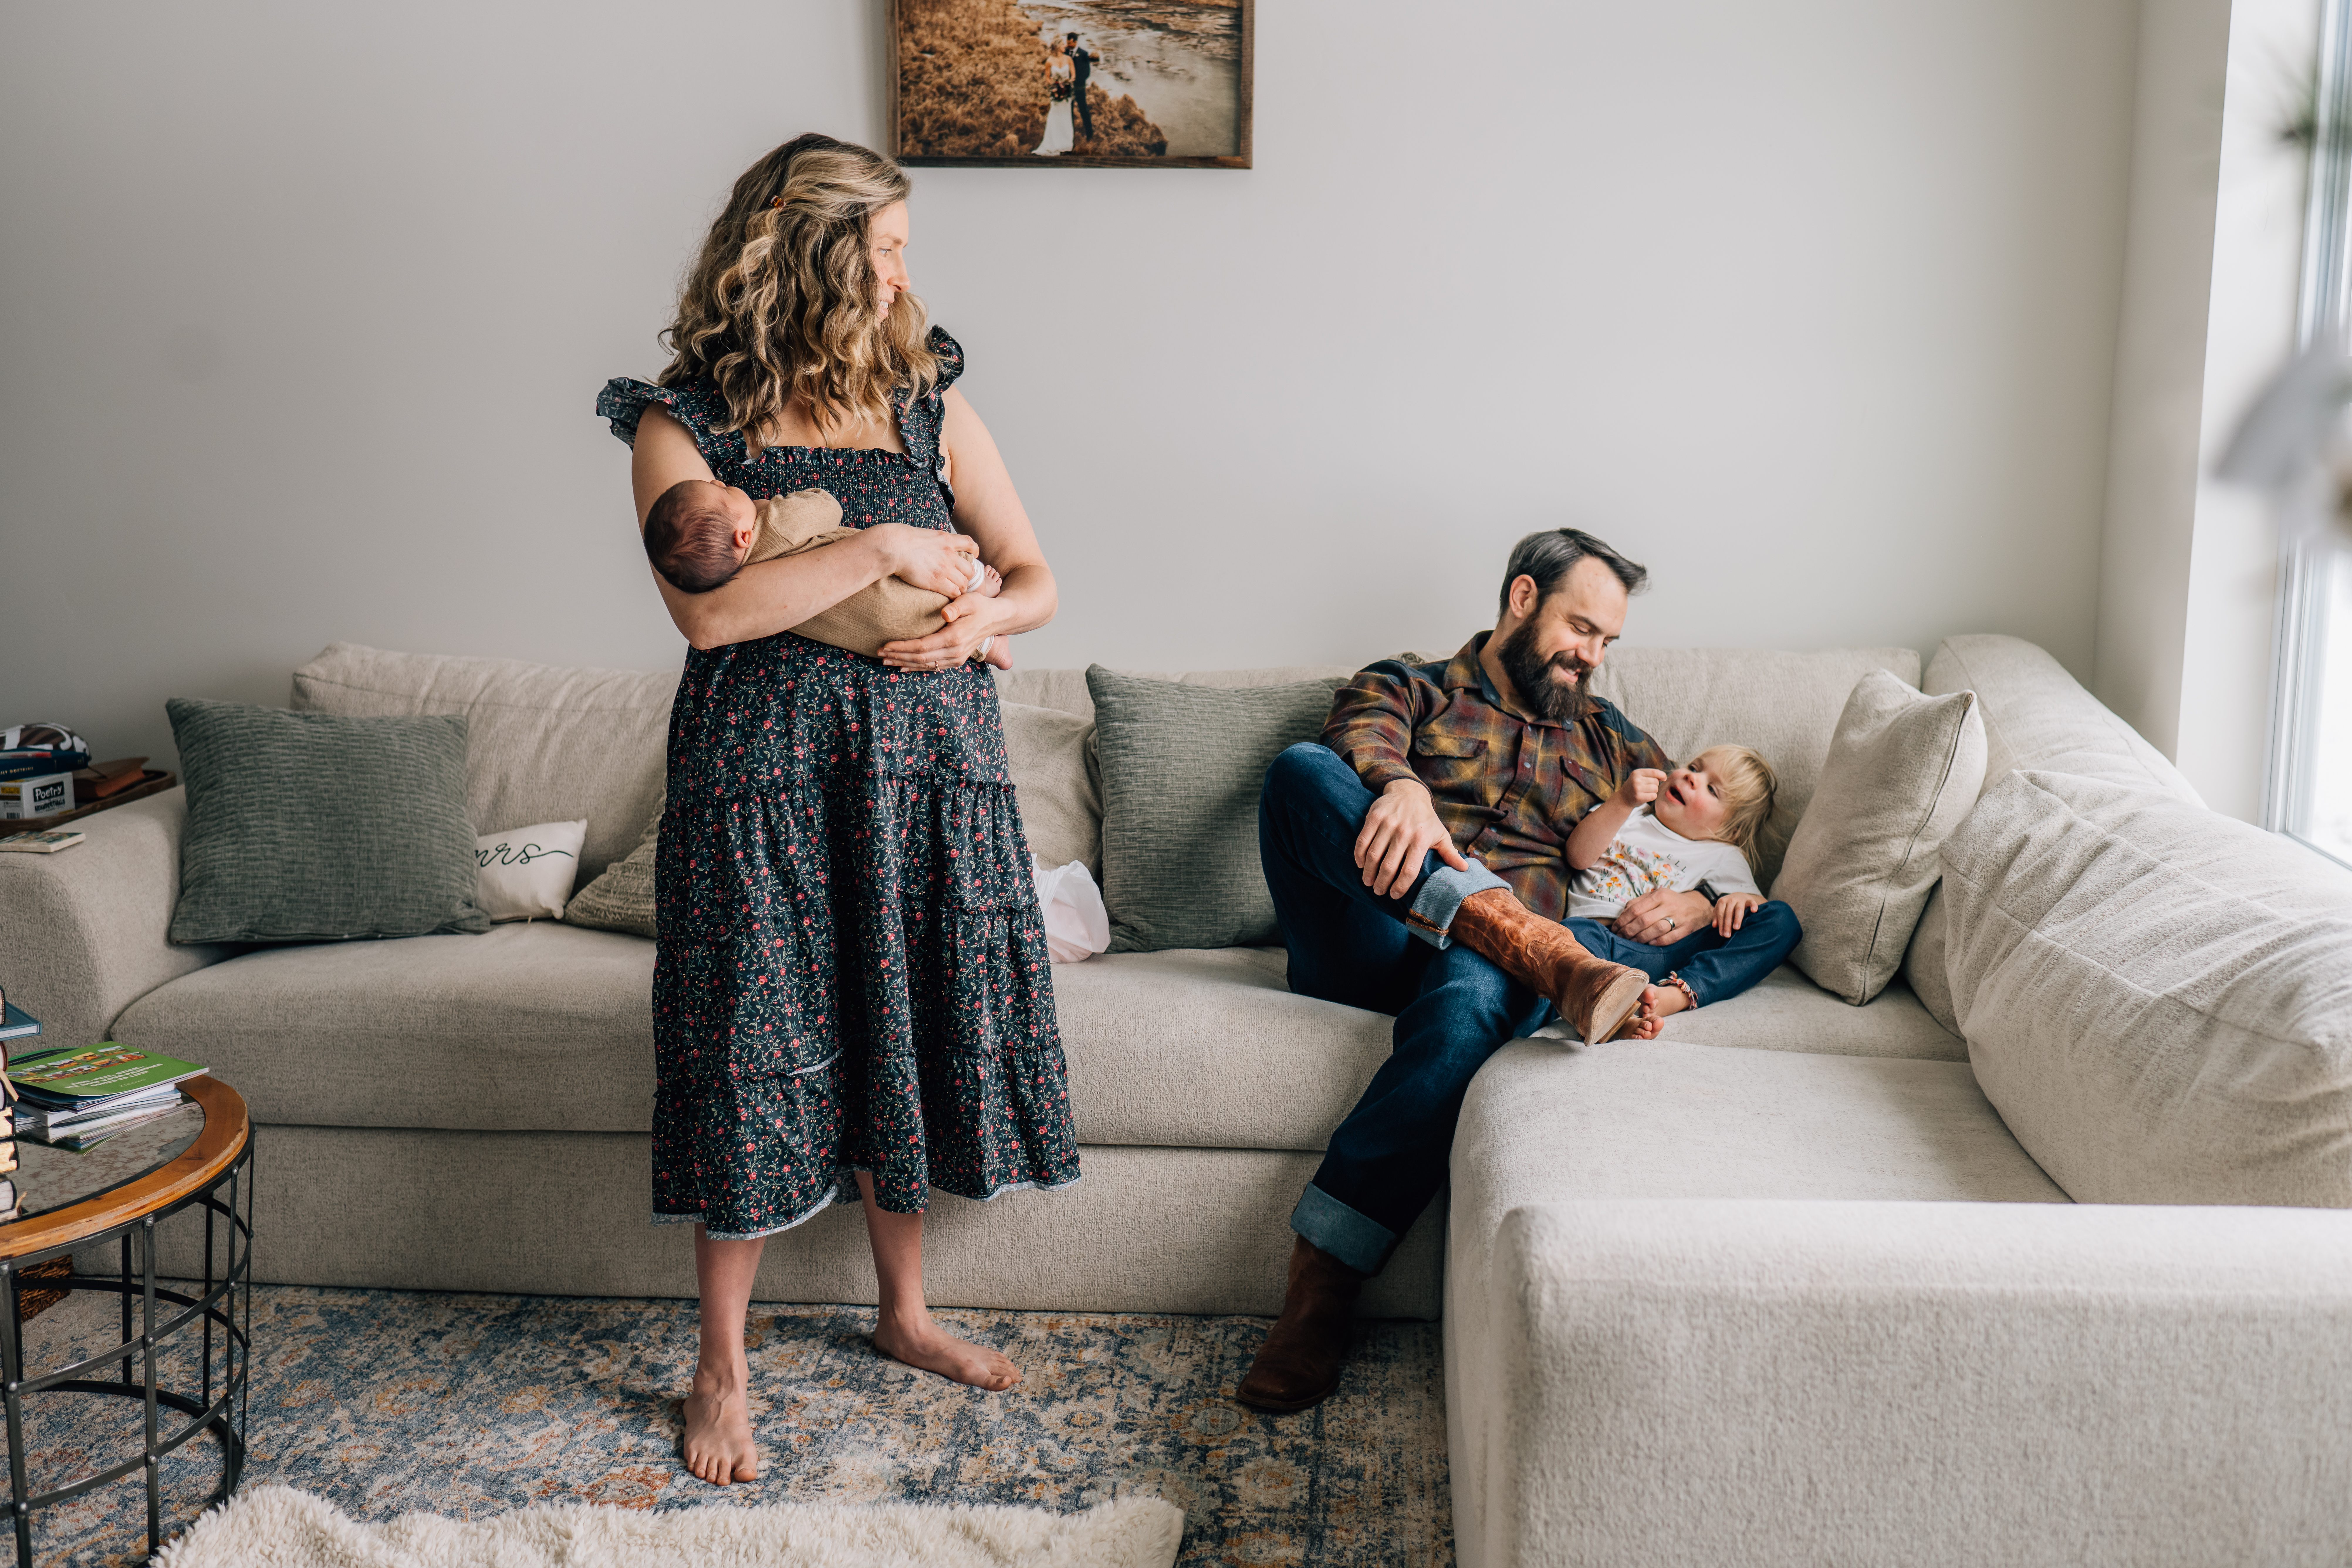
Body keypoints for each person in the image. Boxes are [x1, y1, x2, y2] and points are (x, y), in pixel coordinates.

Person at [596, 132, 1077, 1488]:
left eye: (901, 248)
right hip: (763, 789)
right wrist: (875, 549)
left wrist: (986, 609)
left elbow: (1037, 572)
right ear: (802, 257)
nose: (899, 274)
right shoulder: (681, 423)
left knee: (903, 1025)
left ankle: (905, 1311)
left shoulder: (924, 400)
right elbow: (711, 615)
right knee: (754, 1048)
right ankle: (720, 1366)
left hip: (928, 774)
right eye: (879, 249)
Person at [1239, 528, 1802, 1413]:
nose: (1592, 655)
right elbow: (1358, 730)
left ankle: (1322, 1288)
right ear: (1521, 599)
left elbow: (1694, 837)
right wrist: (1399, 783)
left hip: (1471, 979)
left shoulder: (1613, 741)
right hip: (1368, 938)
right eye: (1582, 627)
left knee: (1477, 984)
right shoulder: (1413, 683)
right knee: (1302, 773)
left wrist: (1700, 903)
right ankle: (1528, 944)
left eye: (1608, 641)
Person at [641, 477, 1016, 668]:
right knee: (955, 568)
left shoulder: (744, 586)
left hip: (878, 637)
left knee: (926, 619)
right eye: (724, 493)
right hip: (898, 594)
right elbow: (826, 507)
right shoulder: (774, 524)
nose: (721, 484)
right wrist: (768, 505)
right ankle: (979, 585)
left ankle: (988, 646)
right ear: (743, 536)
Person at [1560, 744, 1798, 1027]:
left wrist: (1740, 899)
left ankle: (1676, 996)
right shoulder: (1628, 814)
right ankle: (1613, 1015)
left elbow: (1758, 910)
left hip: (1659, 957)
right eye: (1695, 768)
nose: (1691, 778)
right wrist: (1624, 799)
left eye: (1713, 790)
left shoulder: (1722, 854)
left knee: (1783, 921)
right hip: (1592, 940)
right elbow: (1578, 856)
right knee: (1568, 942)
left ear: (1729, 830)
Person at [1033, 40, 1075, 157]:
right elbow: (1048, 78)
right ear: (1057, 47)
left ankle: (1066, 145)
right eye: (1063, 45)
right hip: (1056, 95)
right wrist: (1055, 86)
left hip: (1066, 95)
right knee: (1055, 117)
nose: (1065, 46)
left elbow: (1074, 76)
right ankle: (1054, 143)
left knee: (1066, 117)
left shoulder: (1069, 59)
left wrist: (1067, 85)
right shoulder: (1049, 61)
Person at [1065, 33, 1094, 141]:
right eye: (1067, 43)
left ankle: (1090, 133)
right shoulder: (1065, 52)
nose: (1068, 45)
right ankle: (1071, 134)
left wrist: (1076, 82)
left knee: (1084, 110)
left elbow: (1087, 73)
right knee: (1069, 111)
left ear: (1075, 42)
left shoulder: (1084, 54)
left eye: (1070, 43)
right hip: (1067, 89)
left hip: (1080, 88)